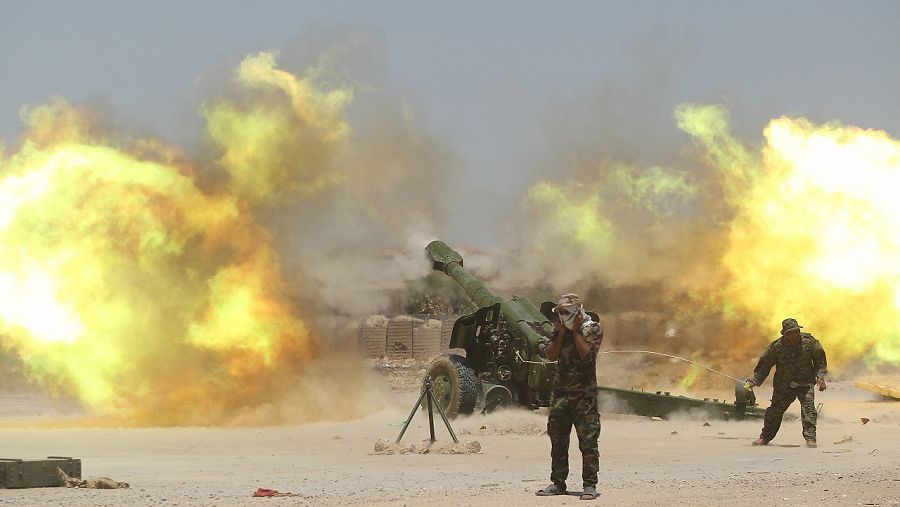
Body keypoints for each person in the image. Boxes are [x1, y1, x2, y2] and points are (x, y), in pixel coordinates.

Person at [536, 294, 603, 501]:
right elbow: (551, 354)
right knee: (558, 440)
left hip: (584, 395)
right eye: (560, 312)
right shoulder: (559, 330)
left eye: (565, 312)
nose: (561, 315)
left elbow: (587, 355)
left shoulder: (592, 329)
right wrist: (562, 332)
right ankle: (558, 482)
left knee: (588, 441)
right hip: (560, 394)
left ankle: (589, 485)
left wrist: (575, 332)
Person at [746, 318, 827, 448]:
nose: (795, 335)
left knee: (809, 410)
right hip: (783, 385)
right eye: (791, 333)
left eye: (796, 331)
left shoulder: (809, 342)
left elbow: (820, 361)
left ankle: (811, 439)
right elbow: (764, 367)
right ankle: (765, 437)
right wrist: (754, 381)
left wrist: (820, 377)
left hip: (804, 383)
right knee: (774, 412)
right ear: (785, 334)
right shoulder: (776, 347)